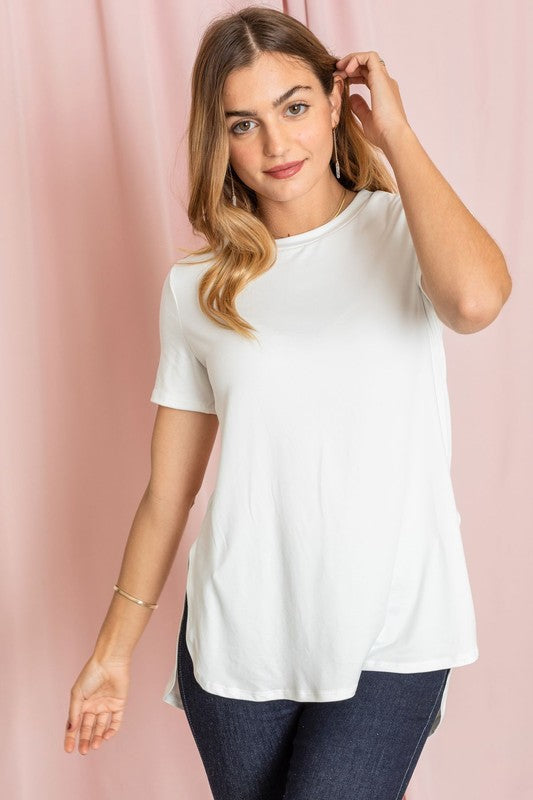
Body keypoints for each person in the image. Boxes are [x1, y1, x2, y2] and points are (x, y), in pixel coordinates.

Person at [63, 6, 511, 799]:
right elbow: (169, 494)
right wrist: (112, 651)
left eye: (294, 106)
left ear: (338, 103)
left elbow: (476, 301)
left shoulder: (406, 228)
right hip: (239, 649)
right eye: (244, 123)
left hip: (392, 635)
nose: (275, 145)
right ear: (219, 139)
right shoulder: (196, 290)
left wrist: (397, 139)